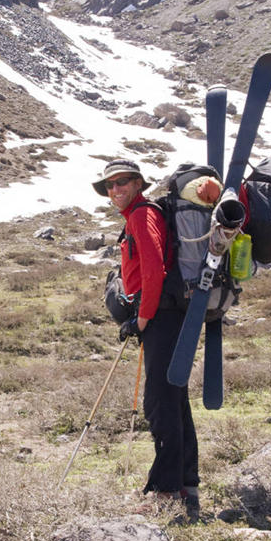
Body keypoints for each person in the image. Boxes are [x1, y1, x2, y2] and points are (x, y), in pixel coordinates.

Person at [92, 158, 201, 520]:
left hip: (162, 319)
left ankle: (167, 492)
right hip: (166, 317)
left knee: (160, 404)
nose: (115, 189)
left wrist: (141, 318)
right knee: (173, 399)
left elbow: (155, 270)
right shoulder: (139, 216)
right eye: (109, 185)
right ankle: (187, 486)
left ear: (138, 184)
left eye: (123, 182)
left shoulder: (142, 216)